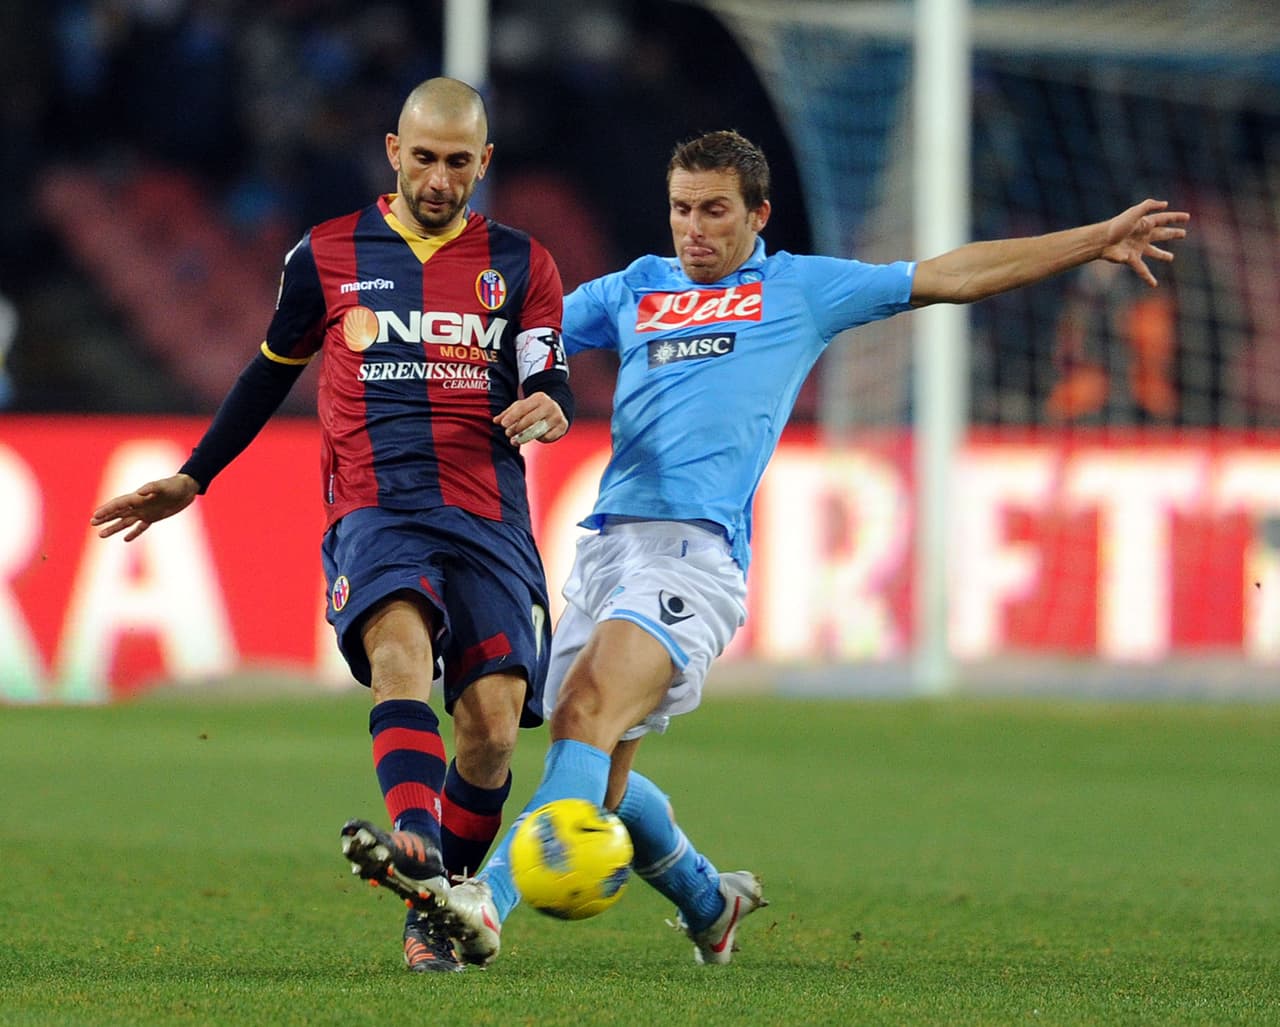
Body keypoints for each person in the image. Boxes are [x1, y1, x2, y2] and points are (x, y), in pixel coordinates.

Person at [424, 129, 1191, 969]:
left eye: (715, 211)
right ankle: (711, 901)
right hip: (606, 550)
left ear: (758, 213)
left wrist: (1093, 240)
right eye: (681, 210)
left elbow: (951, 274)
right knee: (598, 783)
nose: (695, 229)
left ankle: (482, 906)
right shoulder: (635, 288)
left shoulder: (797, 289)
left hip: (695, 556)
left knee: (583, 715)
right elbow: (517, 335)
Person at [89, 78, 573, 974]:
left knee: (495, 730)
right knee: (398, 650)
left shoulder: (522, 263)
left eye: (457, 161)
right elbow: (268, 372)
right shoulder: (326, 254)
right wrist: (193, 477)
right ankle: (417, 839)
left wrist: (548, 404)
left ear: (485, 163)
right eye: (422, 157)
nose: (437, 177)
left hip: (486, 512)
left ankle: (439, 900)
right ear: (393, 150)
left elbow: (550, 371)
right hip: (374, 505)